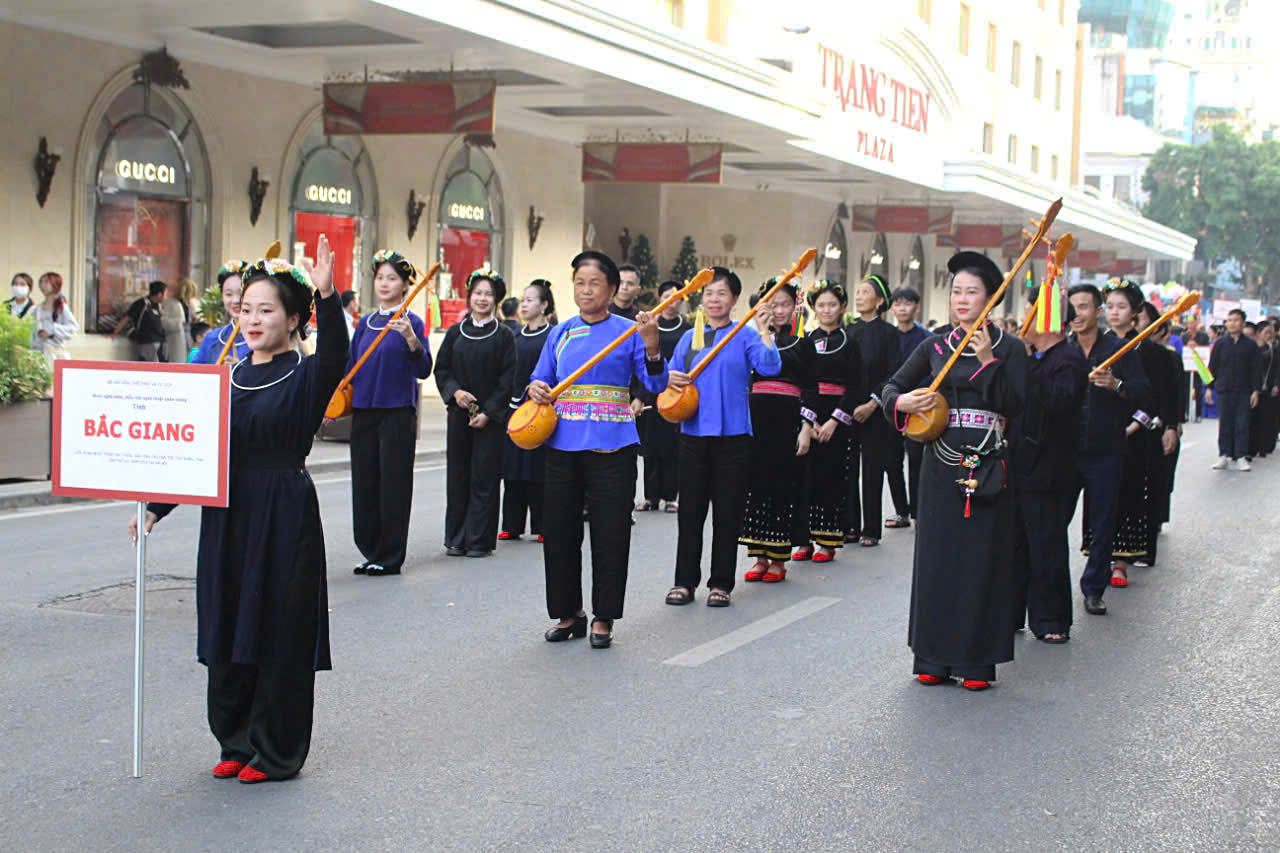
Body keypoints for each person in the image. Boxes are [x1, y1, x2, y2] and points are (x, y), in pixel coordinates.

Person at [128, 236, 344, 784]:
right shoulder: (223, 378)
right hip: (226, 513)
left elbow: (337, 353)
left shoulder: (306, 374)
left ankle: (275, 750)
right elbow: (195, 452)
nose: (252, 319)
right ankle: (236, 739)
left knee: (277, 629)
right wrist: (156, 507)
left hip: (283, 512)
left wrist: (328, 292)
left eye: (266, 310)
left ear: (294, 318)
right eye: (245, 309)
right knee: (227, 623)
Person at [883, 251, 1027, 690]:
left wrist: (986, 362)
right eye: (957, 292)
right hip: (939, 465)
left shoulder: (1010, 348)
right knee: (938, 559)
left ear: (991, 299)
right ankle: (932, 656)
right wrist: (902, 403)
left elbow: (1016, 405)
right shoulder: (935, 346)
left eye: (972, 292)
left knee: (982, 560)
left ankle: (977, 661)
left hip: (987, 465)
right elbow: (891, 388)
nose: (962, 300)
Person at [527, 251, 667, 649]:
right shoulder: (561, 331)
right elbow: (541, 377)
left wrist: (653, 347)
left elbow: (654, 387)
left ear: (611, 289)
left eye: (594, 283)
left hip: (613, 447)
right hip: (561, 444)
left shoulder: (630, 332)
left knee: (610, 533)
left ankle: (604, 616)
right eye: (579, 282)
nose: (585, 290)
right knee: (558, 533)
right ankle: (568, 612)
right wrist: (535, 388)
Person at [662, 268, 781, 608]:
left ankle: (721, 583)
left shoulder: (744, 335)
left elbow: (770, 367)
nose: (714, 300)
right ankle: (684, 582)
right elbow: (670, 378)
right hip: (692, 434)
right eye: (709, 293)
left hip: (733, 437)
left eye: (722, 294)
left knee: (727, 512)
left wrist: (764, 331)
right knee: (690, 513)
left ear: (734, 300)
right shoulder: (689, 337)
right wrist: (673, 379)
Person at [1065, 283, 1150, 617]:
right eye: (1072, 308)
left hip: (1105, 450)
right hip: (1065, 449)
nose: (1077, 315)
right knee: (1054, 521)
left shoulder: (1120, 349)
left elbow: (1143, 392)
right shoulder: (1063, 350)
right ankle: (1048, 591)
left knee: (1102, 523)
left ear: (1097, 312)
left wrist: (1116, 385)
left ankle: (1093, 588)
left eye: (1084, 307)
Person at [348, 250, 433, 577]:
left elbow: (424, 369)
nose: (384, 284)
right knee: (365, 483)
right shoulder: (365, 323)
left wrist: (412, 341)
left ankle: (390, 554)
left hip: (397, 412)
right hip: (365, 412)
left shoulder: (412, 322)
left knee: (393, 485)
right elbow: (350, 368)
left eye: (392, 278)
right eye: (380, 277)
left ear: (404, 284)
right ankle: (370, 549)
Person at [1010, 304, 1088, 643]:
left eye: (1031, 314)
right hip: (1021, 464)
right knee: (1017, 545)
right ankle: (1013, 612)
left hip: (1051, 468)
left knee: (1046, 544)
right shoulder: (1032, 360)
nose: (1023, 321)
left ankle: (1052, 618)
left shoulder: (1067, 360)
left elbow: (1059, 403)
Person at [435, 269, 516, 558]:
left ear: (496, 299)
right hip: (458, 416)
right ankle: (456, 537)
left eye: (488, 294)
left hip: (489, 420)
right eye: (478, 293)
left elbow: (508, 379)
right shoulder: (456, 332)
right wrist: (455, 392)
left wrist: (490, 412)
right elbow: (442, 369)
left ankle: (479, 540)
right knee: (457, 476)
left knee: (484, 477)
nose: (482, 299)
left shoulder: (505, 335)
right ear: (469, 297)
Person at [738, 278, 815, 583]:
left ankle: (779, 559)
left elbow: (811, 387)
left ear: (795, 306)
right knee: (755, 487)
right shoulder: (751, 339)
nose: (778, 311)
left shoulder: (803, 343)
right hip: (755, 418)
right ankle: (758, 556)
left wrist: (806, 426)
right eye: (772, 305)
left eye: (784, 304)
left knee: (783, 487)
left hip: (787, 421)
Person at [1095, 282, 1166, 587]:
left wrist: (1130, 423)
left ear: (1135, 313)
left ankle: (1120, 561)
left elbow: (1151, 398)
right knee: (1099, 501)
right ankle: (1099, 557)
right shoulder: (1096, 344)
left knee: (1128, 495)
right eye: (1109, 306)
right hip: (1099, 435)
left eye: (1121, 307)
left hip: (1134, 435)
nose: (1114, 312)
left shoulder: (1147, 351)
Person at [794, 281, 862, 563]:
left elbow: (857, 385)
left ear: (842, 307)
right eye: (820, 305)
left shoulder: (851, 342)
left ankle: (828, 540)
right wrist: (808, 422)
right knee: (804, 478)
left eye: (832, 304)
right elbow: (801, 382)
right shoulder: (806, 340)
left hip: (838, 416)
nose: (826, 310)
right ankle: (804, 539)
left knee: (832, 478)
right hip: (810, 413)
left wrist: (835, 420)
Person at [846, 274, 901, 547]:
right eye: (857, 291)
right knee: (848, 468)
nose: (858, 296)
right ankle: (850, 525)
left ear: (879, 301)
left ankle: (871, 528)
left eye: (865, 292)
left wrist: (872, 403)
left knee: (872, 469)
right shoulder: (848, 331)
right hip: (847, 410)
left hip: (875, 412)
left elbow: (894, 374)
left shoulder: (890, 334)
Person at [500, 279, 557, 542]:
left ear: (545, 305)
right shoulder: (514, 336)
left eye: (531, 300)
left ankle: (544, 525)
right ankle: (511, 524)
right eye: (523, 300)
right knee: (513, 469)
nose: (525, 305)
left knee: (539, 469)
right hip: (515, 408)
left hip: (542, 408)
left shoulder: (553, 336)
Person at [634, 280, 690, 513]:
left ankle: (670, 496)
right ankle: (650, 497)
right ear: (659, 299)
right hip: (650, 393)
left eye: (676, 297)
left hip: (676, 392)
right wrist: (639, 396)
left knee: (672, 448)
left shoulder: (686, 329)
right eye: (667, 296)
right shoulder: (649, 326)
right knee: (650, 448)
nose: (671, 302)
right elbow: (640, 362)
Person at [884, 286, 929, 528]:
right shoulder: (888, 337)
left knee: (916, 460)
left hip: (918, 406)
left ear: (917, 307)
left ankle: (917, 512)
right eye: (898, 304)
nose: (902, 308)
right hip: (892, 405)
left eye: (907, 303)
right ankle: (900, 511)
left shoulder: (925, 339)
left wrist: (917, 400)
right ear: (892, 308)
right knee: (891, 461)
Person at [1206, 308, 1261, 471]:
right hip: (1224, 389)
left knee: (1242, 423)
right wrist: (1209, 388)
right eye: (1229, 320)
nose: (1232, 323)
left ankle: (1241, 456)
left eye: (1236, 320)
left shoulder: (1250, 345)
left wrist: (1255, 390)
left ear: (1243, 323)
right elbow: (1212, 367)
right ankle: (1224, 455)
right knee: (1225, 423)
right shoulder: (1220, 344)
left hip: (1244, 390)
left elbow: (1256, 369)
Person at [192, 262, 251, 364]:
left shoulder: (265, 339)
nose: (236, 300)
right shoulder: (212, 339)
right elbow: (195, 375)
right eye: (228, 294)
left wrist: (241, 372)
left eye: (241, 293)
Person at [114, 280, 168, 361]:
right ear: (160, 294)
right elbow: (126, 318)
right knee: (152, 369)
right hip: (148, 343)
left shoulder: (159, 306)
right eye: (166, 294)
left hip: (161, 342)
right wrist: (114, 333)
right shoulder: (141, 304)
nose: (167, 297)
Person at [31, 271, 77, 365]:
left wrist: (52, 329)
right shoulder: (37, 309)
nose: (42, 285)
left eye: (46, 282)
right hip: (38, 355)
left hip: (55, 354)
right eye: (41, 282)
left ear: (55, 284)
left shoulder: (61, 307)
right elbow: (31, 331)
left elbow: (73, 327)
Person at [1250, 322, 1279, 458]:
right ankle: (1251, 446)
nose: (1269, 335)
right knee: (1253, 418)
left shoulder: (1274, 349)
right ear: (1259, 333)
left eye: (1271, 332)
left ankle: (1264, 446)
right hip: (1253, 388)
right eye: (1266, 332)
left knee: (1266, 418)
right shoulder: (1253, 348)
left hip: (1268, 387)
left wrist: (1276, 384)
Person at [160, 279, 193, 364]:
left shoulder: (188, 304)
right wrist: (178, 323)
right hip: (175, 336)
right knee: (177, 359)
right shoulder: (171, 303)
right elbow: (163, 321)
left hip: (187, 334)